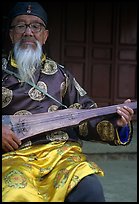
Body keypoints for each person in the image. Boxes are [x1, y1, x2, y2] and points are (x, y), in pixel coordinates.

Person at [2, 2, 135, 202]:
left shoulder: (61, 75)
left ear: (45, 36)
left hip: (61, 154)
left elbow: (85, 115)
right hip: (13, 157)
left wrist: (117, 124)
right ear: (11, 34)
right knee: (16, 194)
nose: (28, 32)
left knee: (89, 188)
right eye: (21, 25)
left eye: (35, 26)